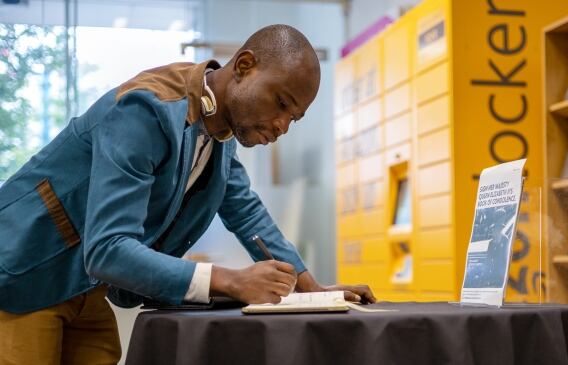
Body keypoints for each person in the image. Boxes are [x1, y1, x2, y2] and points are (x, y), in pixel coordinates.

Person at [0, 24, 375, 364]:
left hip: (84, 285)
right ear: (245, 66)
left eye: (293, 118)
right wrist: (230, 279)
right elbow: (108, 248)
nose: (281, 127)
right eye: (280, 103)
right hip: (23, 271)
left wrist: (313, 290)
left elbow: (247, 214)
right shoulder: (145, 110)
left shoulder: (220, 135)